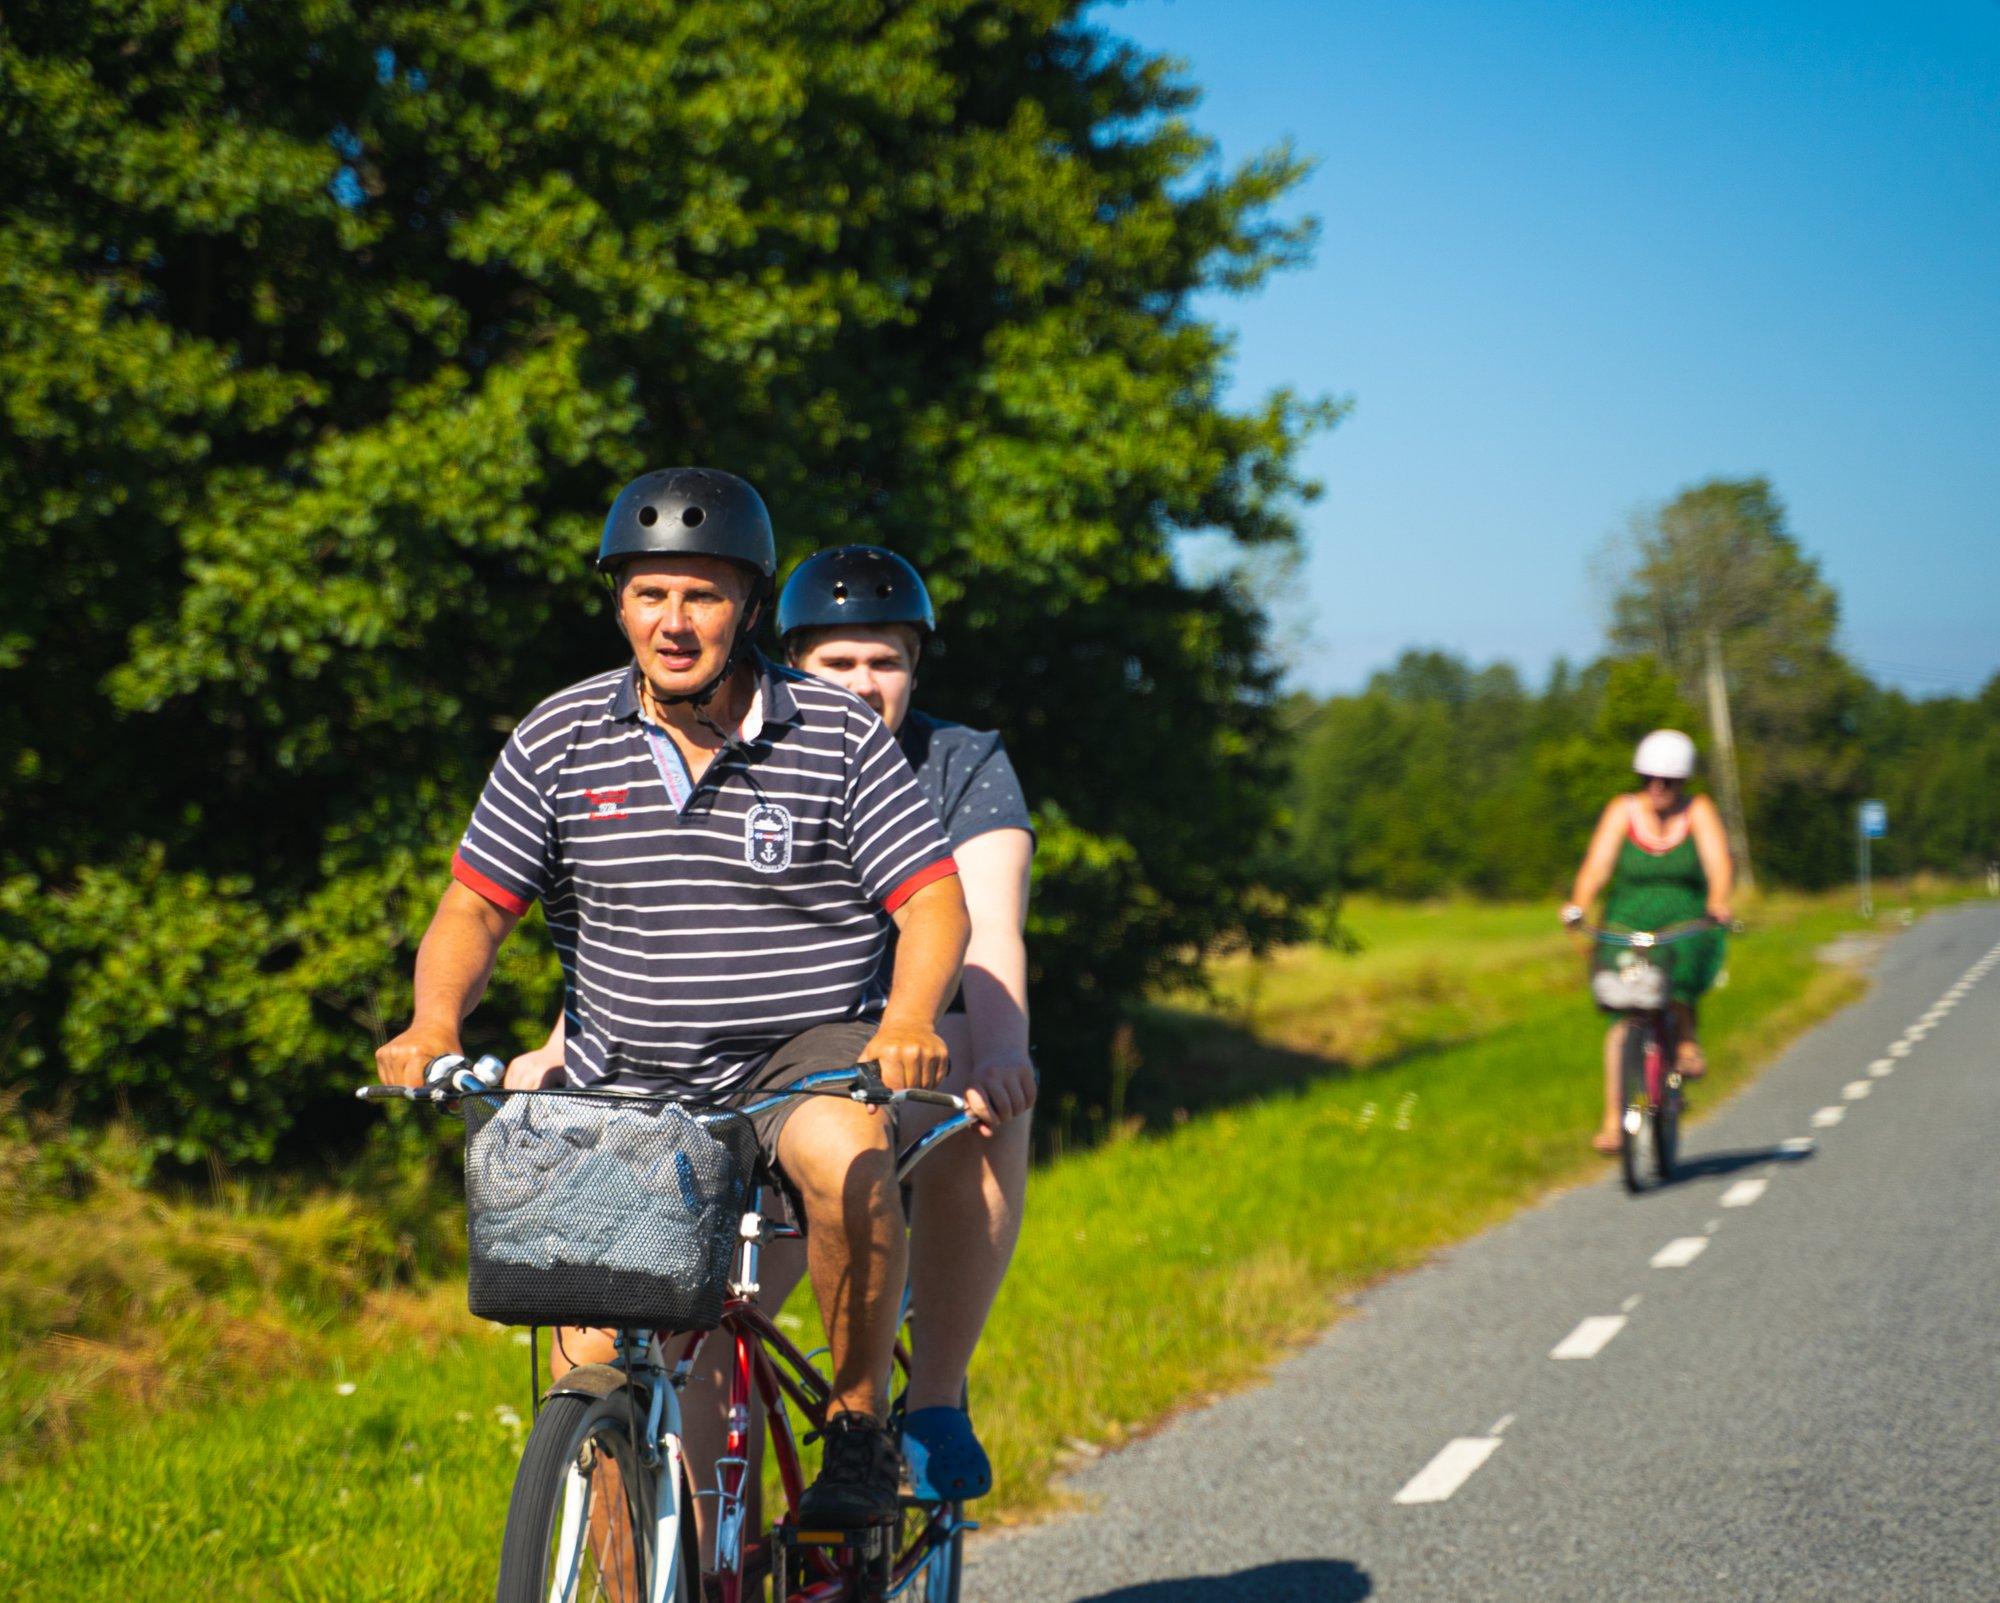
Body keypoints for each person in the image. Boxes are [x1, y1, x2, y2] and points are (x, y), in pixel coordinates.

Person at [375, 468, 971, 1527]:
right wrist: (433, 1023)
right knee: (589, 1369)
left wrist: (910, 1018)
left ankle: (857, 1425)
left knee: (846, 1155)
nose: (674, 620)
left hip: (799, 1059)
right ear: (618, 602)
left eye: (702, 594)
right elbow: (474, 908)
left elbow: (930, 900)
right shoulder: (558, 735)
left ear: (749, 606)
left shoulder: (834, 733)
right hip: (626, 1084)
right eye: (650, 593)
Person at [509, 543, 1035, 1505]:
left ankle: (930, 1401)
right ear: (788, 659)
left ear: (917, 666)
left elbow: (986, 926)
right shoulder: (735, 736)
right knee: (692, 1342)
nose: (863, 682)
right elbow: (658, 934)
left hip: (884, 1040)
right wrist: (559, 1045)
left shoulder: (956, 763)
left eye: (886, 660)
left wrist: (1002, 1052)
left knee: (981, 1095)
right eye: (838, 661)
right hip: (729, 1062)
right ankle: (706, 1547)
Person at [1562, 729, 1733, 1156]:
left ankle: (1686, 1041)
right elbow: (1597, 866)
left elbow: (1718, 864)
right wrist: (1579, 905)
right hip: (1628, 919)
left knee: (1679, 973)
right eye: (1649, 779)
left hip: (1683, 917)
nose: (1657, 787)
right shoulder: (1622, 811)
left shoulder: (1698, 811)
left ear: (1682, 781)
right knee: (1623, 1016)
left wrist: (1717, 902)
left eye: (1668, 781)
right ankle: (1613, 1120)